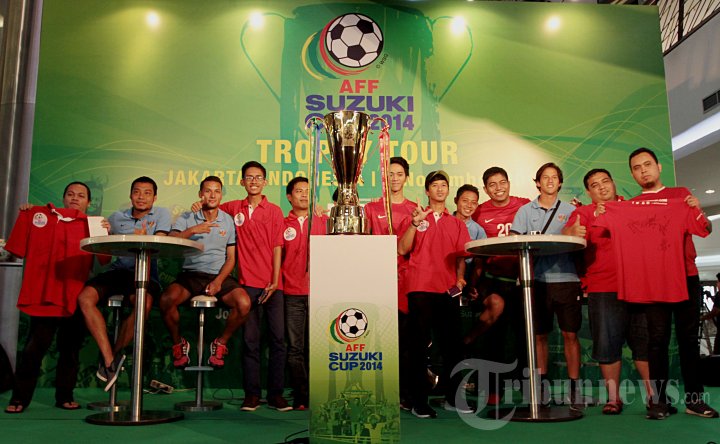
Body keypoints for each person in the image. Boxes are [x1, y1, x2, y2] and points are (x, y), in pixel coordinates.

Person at [624, 147, 717, 419]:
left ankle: (694, 400)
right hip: (654, 280)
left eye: (647, 164)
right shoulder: (631, 207)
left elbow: (705, 229)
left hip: (686, 275)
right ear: (632, 174)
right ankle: (659, 402)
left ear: (659, 167)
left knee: (689, 340)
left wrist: (696, 209)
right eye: (637, 168)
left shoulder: (680, 195)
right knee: (657, 340)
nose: (643, 170)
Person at [562, 168, 650, 415]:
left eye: (605, 181)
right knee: (607, 344)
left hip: (638, 286)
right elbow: (566, 235)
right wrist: (571, 232)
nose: (602, 187)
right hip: (603, 288)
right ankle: (613, 398)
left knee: (644, 343)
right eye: (595, 185)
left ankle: (654, 396)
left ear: (613, 183)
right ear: (588, 192)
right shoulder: (582, 213)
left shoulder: (632, 207)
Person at [4, 182, 94, 413]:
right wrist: (27, 214)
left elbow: (105, 259)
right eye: (70, 194)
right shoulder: (37, 216)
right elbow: (16, 248)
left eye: (81, 195)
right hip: (43, 297)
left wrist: (105, 229)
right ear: (63, 198)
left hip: (74, 295)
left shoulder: (94, 225)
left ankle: (65, 397)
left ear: (88, 203)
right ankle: (19, 398)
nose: (75, 198)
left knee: (70, 350)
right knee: (33, 350)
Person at [76, 176, 171, 390]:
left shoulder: (162, 214)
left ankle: (114, 356)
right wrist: (105, 231)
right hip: (118, 272)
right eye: (137, 192)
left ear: (155, 197)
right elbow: (105, 247)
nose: (141, 197)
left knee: (144, 303)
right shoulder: (117, 217)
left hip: (145, 272)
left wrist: (145, 237)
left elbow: (161, 242)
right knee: (85, 298)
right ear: (130, 195)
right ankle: (110, 359)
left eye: (147, 193)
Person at [397, 170, 471, 419]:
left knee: (453, 346)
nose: (440, 189)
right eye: (435, 185)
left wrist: (459, 279)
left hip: (447, 290)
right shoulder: (416, 217)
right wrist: (415, 223)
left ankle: (453, 398)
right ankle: (418, 402)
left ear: (448, 190)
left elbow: (461, 257)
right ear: (427, 191)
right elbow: (402, 249)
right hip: (419, 287)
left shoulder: (457, 223)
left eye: (444, 185)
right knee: (418, 347)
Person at [216, 161, 289, 411]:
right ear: (242, 182)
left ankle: (276, 395)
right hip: (247, 285)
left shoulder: (275, 211)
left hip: (273, 286)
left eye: (258, 177)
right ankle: (252, 395)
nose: (254, 181)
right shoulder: (233, 207)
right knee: (250, 341)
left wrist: (275, 280)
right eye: (249, 177)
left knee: (278, 341)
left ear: (265, 182)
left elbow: (278, 246)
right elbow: (212, 207)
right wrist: (198, 205)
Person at [159, 176, 251, 369]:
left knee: (243, 303)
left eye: (217, 191)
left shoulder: (228, 220)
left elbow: (231, 258)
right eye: (208, 191)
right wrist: (193, 230)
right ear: (200, 194)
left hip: (218, 275)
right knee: (166, 300)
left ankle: (221, 343)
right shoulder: (187, 217)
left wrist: (218, 282)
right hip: (191, 274)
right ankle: (178, 343)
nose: (212, 195)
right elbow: (172, 240)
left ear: (221, 195)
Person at [510, 162, 583, 407]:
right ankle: (541, 389)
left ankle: (574, 388)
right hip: (537, 281)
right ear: (537, 182)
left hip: (567, 279)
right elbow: (515, 242)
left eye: (554, 177)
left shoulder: (572, 210)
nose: (550, 181)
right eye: (545, 177)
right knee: (540, 336)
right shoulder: (524, 211)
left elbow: (580, 240)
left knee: (570, 335)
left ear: (560, 183)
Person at [363, 156, 416, 409]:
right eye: (390, 174)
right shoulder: (371, 209)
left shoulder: (415, 209)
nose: (394, 178)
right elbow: (364, 244)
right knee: (377, 340)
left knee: (405, 341)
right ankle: (378, 391)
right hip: (378, 281)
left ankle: (404, 393)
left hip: (406, 282)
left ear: (407, 177)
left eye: (399, 174)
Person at [282, 176, 328, 410]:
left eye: (308, 191)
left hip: (320, 293)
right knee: (295, 348)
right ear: (289, 197)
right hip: (292, 293)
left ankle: (320, 394)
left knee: (319, 347)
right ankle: (301, 395)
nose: (303, 194)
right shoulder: (282, 224)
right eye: (298, 191)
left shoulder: (324, 220)